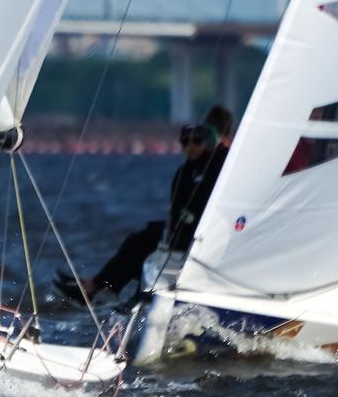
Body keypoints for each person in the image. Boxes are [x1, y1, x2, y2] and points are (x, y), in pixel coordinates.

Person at [57, 123, 226, 301]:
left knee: (143, 243)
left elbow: (227, 159)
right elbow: (177, 210)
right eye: (185, 142)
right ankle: (101, 287)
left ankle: (104, 289)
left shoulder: (218, 166)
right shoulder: (185, 172)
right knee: (135, 240)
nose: (190, 147)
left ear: (208, 144)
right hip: (182, 232)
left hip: (202, 235)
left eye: (197, 141)